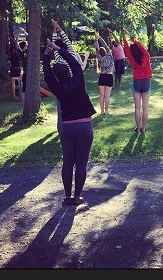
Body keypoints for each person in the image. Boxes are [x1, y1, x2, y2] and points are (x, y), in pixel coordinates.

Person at [42, 38, 96, 206]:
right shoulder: (78, 80)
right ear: (69, 72)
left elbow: (47, 74)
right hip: (84, 127)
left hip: (67, 128)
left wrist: (46, 55)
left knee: (68, 162)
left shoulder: (56, 88)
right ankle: (77, 196)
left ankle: (67, 196)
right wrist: (58, 48)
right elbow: (73, 62)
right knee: (81, 163)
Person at [51, 19, 89, 131]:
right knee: (78, 108)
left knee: (61, 110)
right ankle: (78, 127)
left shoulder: (58, 58)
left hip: (63, 86)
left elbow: (54, 44)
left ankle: (62, 131)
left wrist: (54, 30)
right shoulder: (71, 54)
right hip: (75, 84)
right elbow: (67, 41)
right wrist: (59, 28)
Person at [122, 27, 153, 133]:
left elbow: (126, 49)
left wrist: (124, 37)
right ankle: (143, 128)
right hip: (146, 82)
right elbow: (139, 45)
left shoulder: (132, 59)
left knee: (137, 108)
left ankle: (138, 128)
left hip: (137, 82)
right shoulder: (146, 55)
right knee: (145, 107)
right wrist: (129, 35)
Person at [94, 31, 115, 116]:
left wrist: (96, 40)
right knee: (107, 95)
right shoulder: (109, 56)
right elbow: (105, 45)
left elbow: (96, 48)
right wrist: (99, 38)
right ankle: (106, 111)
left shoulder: (99, 57)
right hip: (109, 76)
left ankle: (102, 111)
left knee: (102, 95)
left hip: (102, 76)